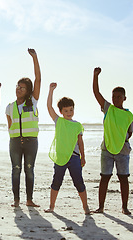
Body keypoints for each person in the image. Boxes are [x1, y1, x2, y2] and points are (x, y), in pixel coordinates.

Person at [92, 67, 133, 215]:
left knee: (123, 179)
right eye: (113, 96)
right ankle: (101, 207)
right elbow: (96, 93)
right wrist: (95, 76)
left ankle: (124, 207)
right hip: (107, 149)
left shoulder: (129, 116)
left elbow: (129, 132)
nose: (115, 99)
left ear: (124, 98)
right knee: (104, 177)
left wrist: (121, 139)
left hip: (122, 150)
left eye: (118, 96)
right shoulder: (108, 109)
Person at [45, 82, 90, 214]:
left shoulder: (77, 125)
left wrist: (83, 156)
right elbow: (49, 107)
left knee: (79, 182)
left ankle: (85, 207)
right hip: (60, 157)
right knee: (56, 182)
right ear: (61, 112)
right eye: (66, 111)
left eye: (71, 110)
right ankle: (52, 206)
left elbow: (80, 142)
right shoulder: (59, 121)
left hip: (75, 157)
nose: (69, 112)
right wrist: (51, 90)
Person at [5, 48, 41, 207]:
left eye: (22, 87)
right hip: (14, 143)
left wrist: (34, 57)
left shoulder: (32, 102)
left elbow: (38, 79)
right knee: (16, 170)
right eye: (17, 86)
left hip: (31, 142)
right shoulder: (9, 107)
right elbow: (10, 126)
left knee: (29, 170)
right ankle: (16, 200)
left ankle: (29, 200)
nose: (18, 89)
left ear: (28, 91)